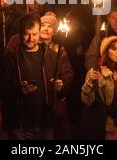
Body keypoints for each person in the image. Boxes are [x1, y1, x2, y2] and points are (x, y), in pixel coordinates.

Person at [0, 13, 68, 140]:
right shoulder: (9, 58)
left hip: (45, 124)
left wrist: (61, 86)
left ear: (39, 32)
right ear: (19, 33)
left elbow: (64, 82)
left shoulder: (50, 56)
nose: (30, 38)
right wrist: (18, 89)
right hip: (20, 126)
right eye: (26, 34)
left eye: (34, 34)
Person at [39, 11, 74, 139]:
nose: (46, 29)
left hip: (56, 101)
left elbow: (68, 75)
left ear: (54, 31)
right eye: (43, 25)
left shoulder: (60, 50)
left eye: (50, 26)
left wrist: (62, 85)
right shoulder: (33, 48)